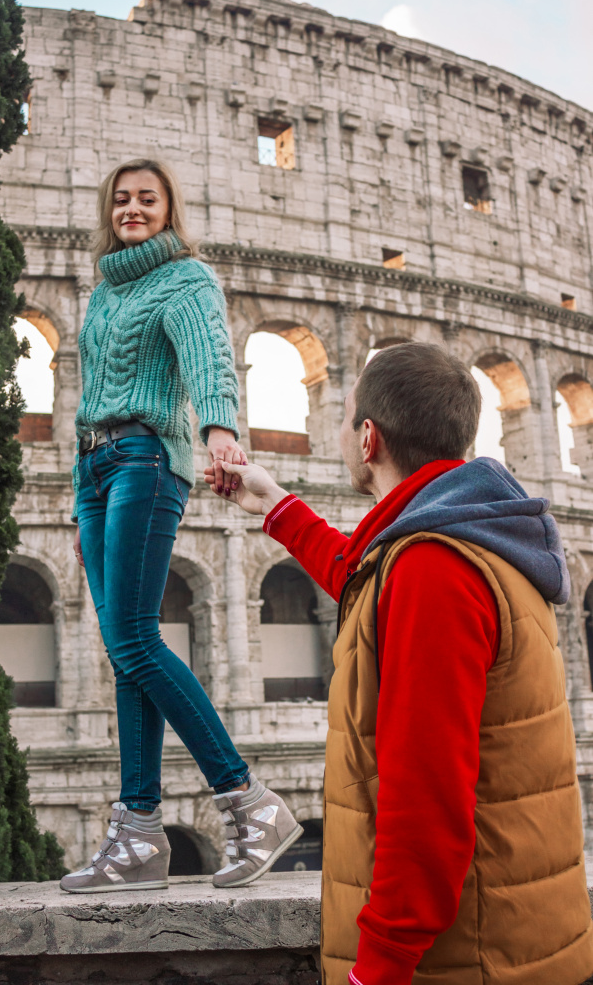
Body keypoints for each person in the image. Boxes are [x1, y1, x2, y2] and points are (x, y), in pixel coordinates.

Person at [206, 342, 593, 985]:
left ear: (368, 438)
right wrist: (275, 505)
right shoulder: (472, 536)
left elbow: (426, 797)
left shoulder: (433, 569)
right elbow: (366, 583)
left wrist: (379, 966)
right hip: (510, 936)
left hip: (463, 960)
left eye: (344, 417)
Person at [61, 158, 302, 893]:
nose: (132, 209)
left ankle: (247, 800)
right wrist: (79, 494)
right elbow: (90, 390)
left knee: (135, 640)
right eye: (122, 199)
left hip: (145, 458)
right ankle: (138, 836)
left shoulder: (185, 278)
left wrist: (220, 432)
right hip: (94, 470)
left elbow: (207, 357)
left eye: (148, 198)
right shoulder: (105, 290)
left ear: (169, 209)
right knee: (125, 654)